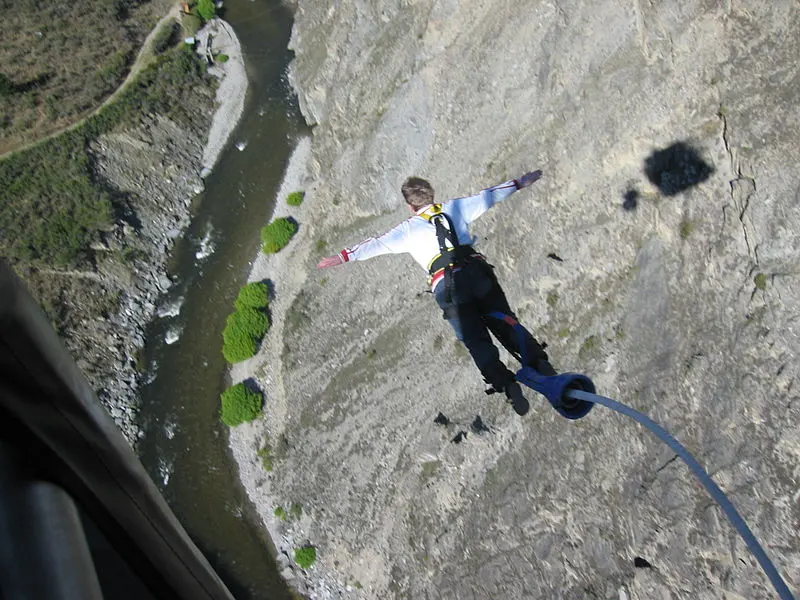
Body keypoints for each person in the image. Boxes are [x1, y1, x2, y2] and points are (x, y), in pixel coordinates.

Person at [317, 171, 556, 416]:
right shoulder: (455, 208)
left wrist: (343, 256)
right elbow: (489, 196)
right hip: (476, 271)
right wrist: (518, 183)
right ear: (432, 194)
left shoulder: (407, 230)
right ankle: (539, 362)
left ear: (411, 206)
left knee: (475, 339)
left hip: (448, 287)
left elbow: (376, 244)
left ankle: (506, 384)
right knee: (504, 320)